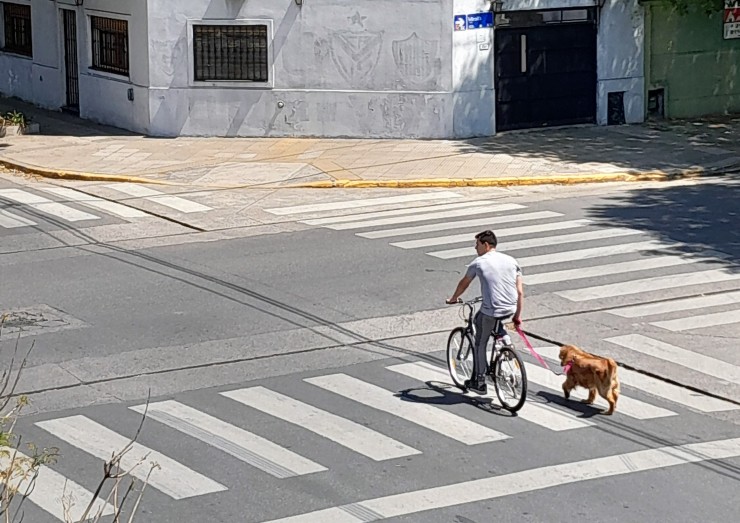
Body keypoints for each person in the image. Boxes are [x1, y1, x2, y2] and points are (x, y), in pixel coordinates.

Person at [446, 230, 523, 394]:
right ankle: (505, 340)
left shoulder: (479, 262)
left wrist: (453, 298)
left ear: (486, 245)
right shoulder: (511, 260)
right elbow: (520, 292)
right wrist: (517, 317)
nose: (475, 248)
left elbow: (464, 283)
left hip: (491, 310)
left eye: (477, 244)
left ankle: (479, 381)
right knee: (496, 322)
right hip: (511, 307)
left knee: (480, 341)